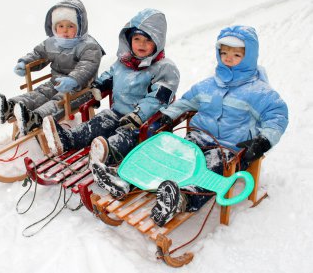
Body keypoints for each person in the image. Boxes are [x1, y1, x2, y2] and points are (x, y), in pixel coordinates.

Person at [91, 25, 288, 227]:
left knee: (210, 170)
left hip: (230, 147)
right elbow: (186, 102)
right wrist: (168, 115)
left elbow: (277, 116)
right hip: (196, 139)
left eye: (236, 54)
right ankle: (126, 182)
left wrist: (263, 141)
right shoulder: (209, 84)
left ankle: (182, 200)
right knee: (170, 159)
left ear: (248, 57)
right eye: (224, 52)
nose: (228, 58)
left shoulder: (259, 92)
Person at [42, 8, 180, 196]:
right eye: (137, 39)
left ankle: (105, 154)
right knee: (100, 121)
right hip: (118, 112)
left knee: (125, 137)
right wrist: (99, 85)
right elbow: (111, 74)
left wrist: (139, 115)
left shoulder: (165, 68)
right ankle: (68, 139)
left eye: (148, 40)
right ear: (129, 39)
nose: (141, 44)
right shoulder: (124, 61)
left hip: (144, 124)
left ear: (158, 43)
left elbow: (157, 98)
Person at [0, 0, 104, 136]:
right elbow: (38, 53)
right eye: (61, 26)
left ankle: (35, 118)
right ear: (54, 27)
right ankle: (10, 107)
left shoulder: (89, 46)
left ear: (80, 27)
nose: (65, 31)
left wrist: (73, 80)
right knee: (39, 93)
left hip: (80, 89)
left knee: (57, 101)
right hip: (55, 82)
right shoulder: (53, 43)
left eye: (70, 26)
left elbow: (87, 66)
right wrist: (24, 63)